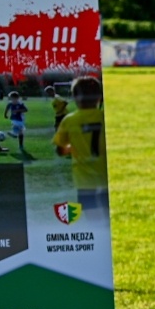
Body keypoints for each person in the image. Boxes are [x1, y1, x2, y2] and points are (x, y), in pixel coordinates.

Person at [52, 76, 108, 217]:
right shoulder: (104, 116)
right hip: (105, 177)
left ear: (75, 97)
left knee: (91, 216)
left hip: (85, 180)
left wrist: (73, 147)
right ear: (99, 97)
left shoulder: (70, 120)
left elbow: (60, 150)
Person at [3, 90, 31, 157]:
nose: (11, 100)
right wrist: (5, 114)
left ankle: (16, 137)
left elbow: (26, 110)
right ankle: (15, 134)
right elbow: (7, 108)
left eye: (12, 98)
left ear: (17, 98)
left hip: (20, 120)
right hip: (13, 119)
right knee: (15, 127)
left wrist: (18, 110)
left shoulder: (20, 104)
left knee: (20, 133)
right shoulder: (10, 104)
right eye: (11, 98)